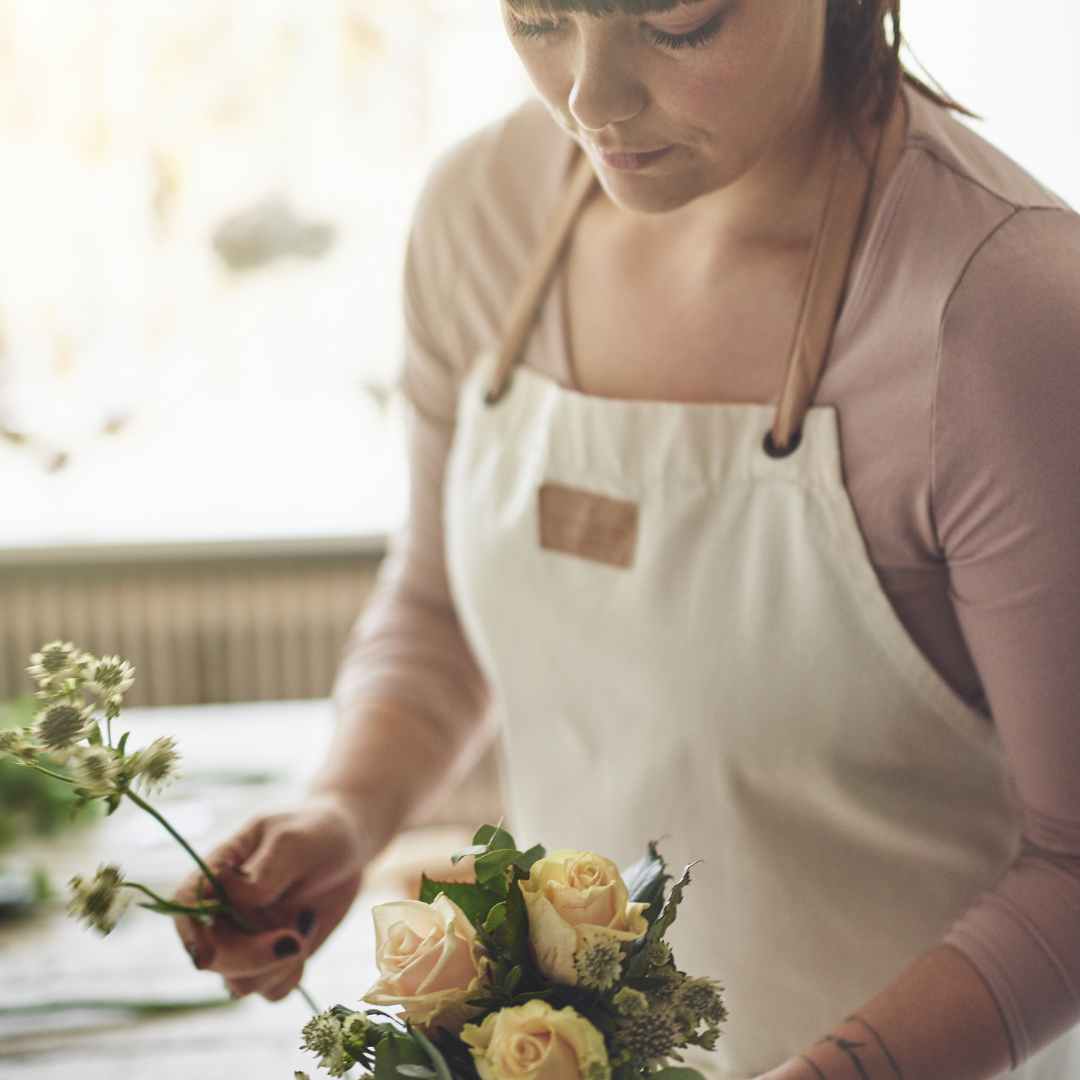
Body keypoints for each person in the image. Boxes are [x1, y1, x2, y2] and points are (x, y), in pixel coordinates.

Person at [173, 3, 1080, 1077]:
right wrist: (345, 809)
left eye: (677, 20)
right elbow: (439, 608)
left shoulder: (1004, 308)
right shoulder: (483, 213)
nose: (589, 99)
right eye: (538, 16)